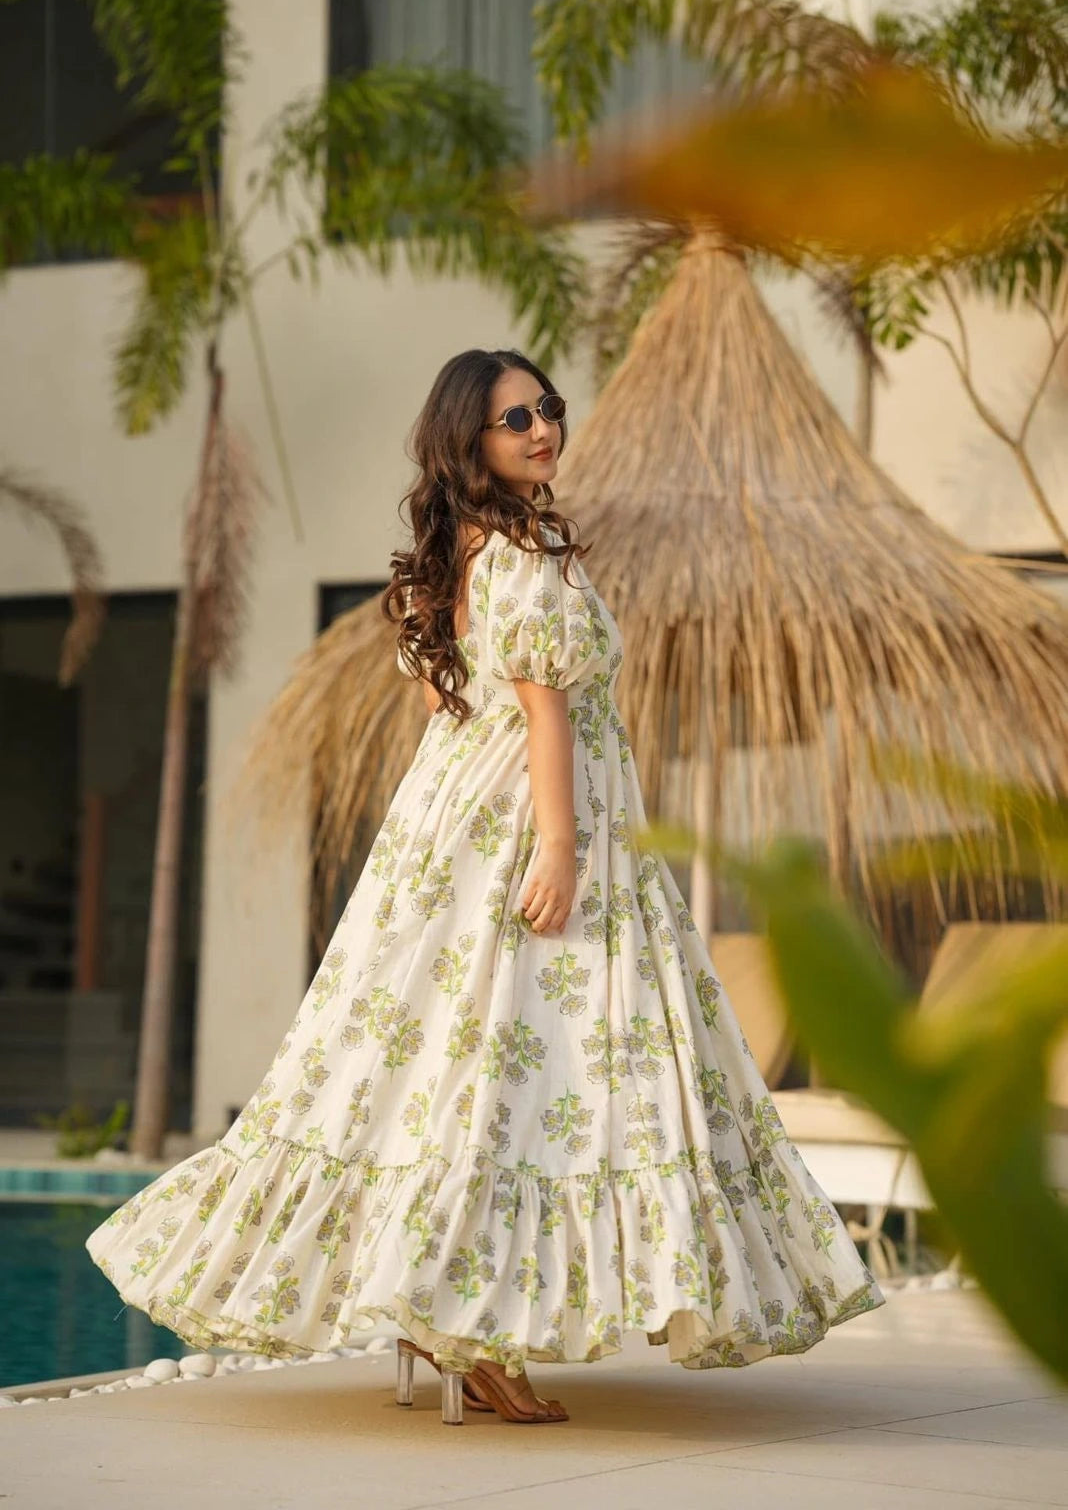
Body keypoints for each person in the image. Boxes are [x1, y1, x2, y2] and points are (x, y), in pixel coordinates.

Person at [85, 347, 885, 1426]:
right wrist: (559, 845)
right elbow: (547, 713)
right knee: (525, 1071)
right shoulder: (525, 554)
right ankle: (474, 1326)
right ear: (472, 439)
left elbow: (443, 710)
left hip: (454, 820)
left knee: (459, 1065)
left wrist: (483, 827)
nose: (542, 429)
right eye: (517, 418)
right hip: (533, 822)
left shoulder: (460, 553)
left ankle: (450, 1312)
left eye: (547, 409)